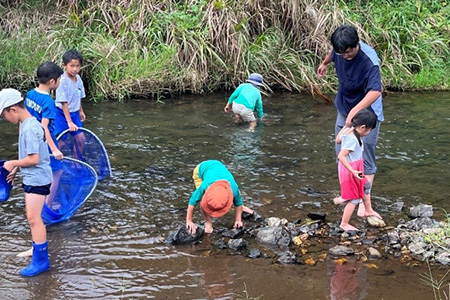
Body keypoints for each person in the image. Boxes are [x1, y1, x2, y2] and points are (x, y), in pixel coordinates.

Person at [317, 25, 384, 216]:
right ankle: (348, 194)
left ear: (357, 45)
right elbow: (331, 55)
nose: (345, 56)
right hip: (345, 108)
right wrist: (324, 64)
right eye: (342, 53)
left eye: (348, 52)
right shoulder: (339, 50)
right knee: (342, 154)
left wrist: (355, 112)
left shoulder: (368, 60)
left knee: (365, 159)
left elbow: (375, 91)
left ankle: (365, 202)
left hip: (366, 115)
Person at [0, 88, 53, 276]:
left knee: (33, 219)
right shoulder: (28, 123)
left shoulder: (29, 128)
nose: (5, 119)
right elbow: (29, 156)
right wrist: (16, 167)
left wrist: (13, 163)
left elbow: (34, 159)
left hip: (37, 179)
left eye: (4, 114)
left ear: (13, 109)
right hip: (34, 177)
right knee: (33, 217)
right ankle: (36, 248)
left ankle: (41, 261)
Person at [335, 109, 381, 231]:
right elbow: (341, 156)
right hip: (350, 171)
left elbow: (338, 140)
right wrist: (353, 171)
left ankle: (368, 210)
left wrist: (345, 126)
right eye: (370, 129)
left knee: (365, 186)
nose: (370, 132)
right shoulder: (352, 139)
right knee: (354, 199)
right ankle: (344, 224)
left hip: (356, 167)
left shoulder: (349, 131)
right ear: (362, 127)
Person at [186, 160, 254, 234]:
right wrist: (189, 221)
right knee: (203, 199)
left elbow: (238, 202)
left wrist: (238, 220)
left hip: (218, 166)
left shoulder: (233, 188)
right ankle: (208, 222)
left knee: (237, 197)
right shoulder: (205, 186)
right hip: (200, 170)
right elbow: (192, 202)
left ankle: (241, 207)